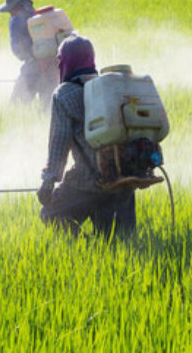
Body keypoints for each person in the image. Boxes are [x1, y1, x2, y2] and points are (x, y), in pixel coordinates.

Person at [37, 35, 136, 238]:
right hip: (124, 180)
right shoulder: (110, 87)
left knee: (51, 214)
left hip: (87, 182)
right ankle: (95, 250)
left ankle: (87, 246)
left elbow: (59, 145)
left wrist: (48, 182)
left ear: (66, 62)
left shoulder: (64, 94)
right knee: (121, 246)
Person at [0, 0, 57, 109]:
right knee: (47, 108)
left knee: (16, 106)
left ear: (13, 7)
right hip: (53, 65)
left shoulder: (15, 20)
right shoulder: (37, 15)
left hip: (32, 68)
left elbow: (18, 50)